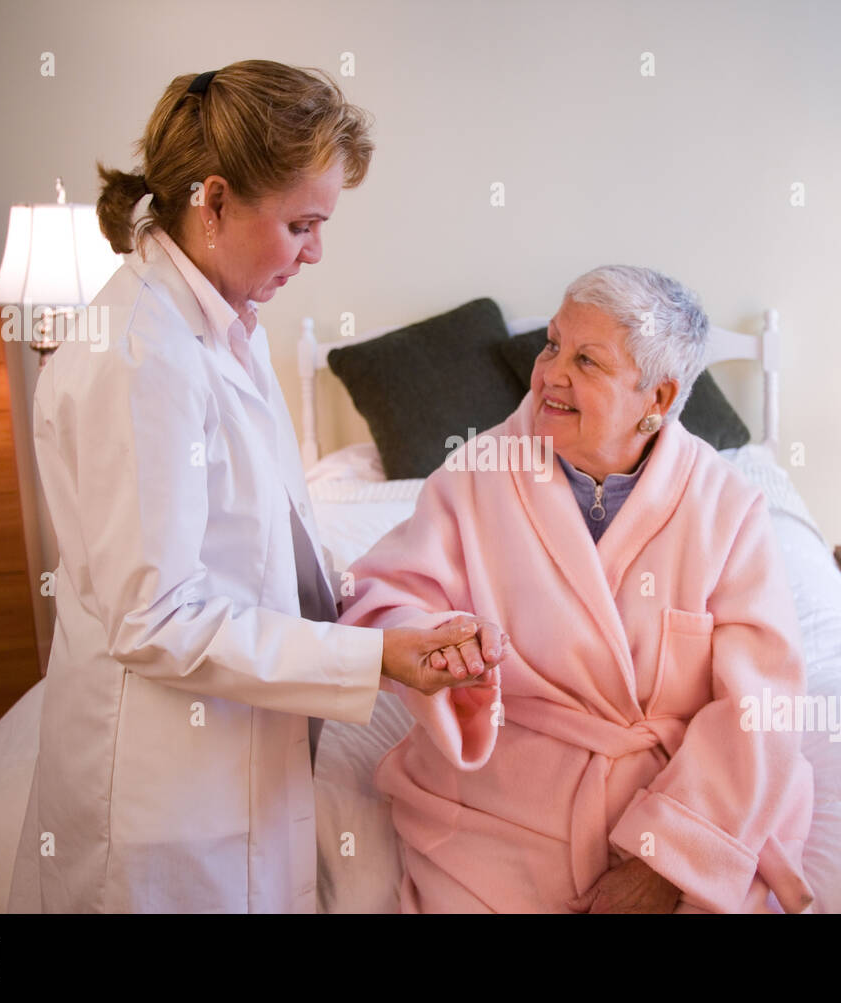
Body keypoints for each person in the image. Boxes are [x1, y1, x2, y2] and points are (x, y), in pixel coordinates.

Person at [8, 60, 503, 914]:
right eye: (303, 223)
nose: (317, 251)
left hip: (238, 751)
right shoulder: (143, 356)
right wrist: (372, 656)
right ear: (214, 201)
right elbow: (157, 616)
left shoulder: (226, 322)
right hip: (166, 792)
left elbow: (268, 540)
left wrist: (381, 622)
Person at [340, 265, 816, 913]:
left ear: (657, 397)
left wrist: (665, 866)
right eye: (551, 344)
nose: (549, 373)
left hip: (676, 804)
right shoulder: (478, 475)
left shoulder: (726, 507)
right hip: (498, 807)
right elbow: (377, 601)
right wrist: (436, 641)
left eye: (586, 360)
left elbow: (761, 705)